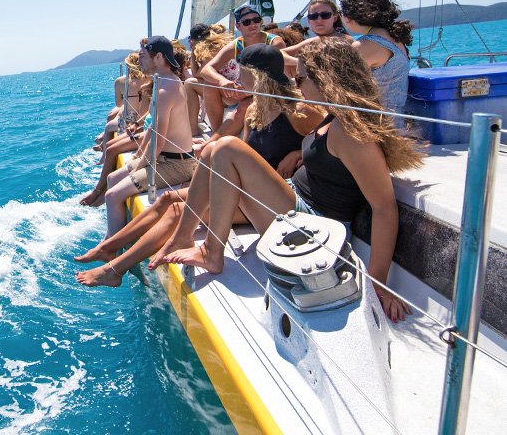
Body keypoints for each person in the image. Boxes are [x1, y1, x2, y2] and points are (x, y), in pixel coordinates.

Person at [155, 38, 423, 323]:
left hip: (314, 226)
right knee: (212, 150)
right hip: (295, 203)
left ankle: (209, 251)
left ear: (326, 80)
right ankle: (191, 241)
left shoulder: (351, 134)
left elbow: (384, 208)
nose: (296, 85)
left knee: (224, 148)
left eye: (301, 78)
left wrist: (377, 283)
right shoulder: (333, 119)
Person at [76, 44, 325, 285]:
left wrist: (296, 152)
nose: (237, 77)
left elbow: (321, 143)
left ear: (257, 75)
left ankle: (115, 266)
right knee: (169, 202)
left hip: (270, 194)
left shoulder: (299, 111)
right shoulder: (254, 109)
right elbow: (248, 151)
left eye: (242, 71)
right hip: (248, 189)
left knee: (180, 209)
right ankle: (111, 251)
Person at [101, 36, 196, 239]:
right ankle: (119, 227)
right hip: (165, 158)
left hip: (175, 164)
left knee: (112, 195)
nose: (139, 61)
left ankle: (112, 244)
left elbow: (159, 140)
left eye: (143, 56)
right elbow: (153, 128)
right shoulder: (165, 81)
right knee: (111, 178)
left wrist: (140, 164)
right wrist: (138, 159)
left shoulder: (164, 89)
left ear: (159, 57)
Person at [197, 4, 285, 134]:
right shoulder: (238, 45)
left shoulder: (274, 43)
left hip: (270, 92)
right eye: (247, 22)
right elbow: (206, 70)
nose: (253, 24)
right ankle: (216, 133)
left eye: (256, 20)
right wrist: (222, 81)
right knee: (210, 85)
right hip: (245, 90)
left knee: (244, 107)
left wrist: (249, 91)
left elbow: (278, 76)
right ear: (238, 26)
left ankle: (217, 141)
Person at [339, 0, 411, 118]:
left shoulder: (365, 46)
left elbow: (340, 88)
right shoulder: (395, 38)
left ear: (347, 17)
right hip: (396, 121)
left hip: (377, 125)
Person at [284, 0, 352, 57]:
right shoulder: (311, 43)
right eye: (313, 16)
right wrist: (300, 63)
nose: (319, 20)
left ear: (335, 18)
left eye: (325, 15)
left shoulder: (348, 42)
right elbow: (280, 54)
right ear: (309, 20)